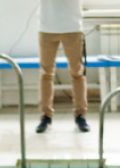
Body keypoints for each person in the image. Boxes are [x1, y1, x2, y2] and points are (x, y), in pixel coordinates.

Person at [36, 0, 89, 133]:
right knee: (46, 74)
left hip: (72, 27)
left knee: (77, 72)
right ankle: (46, 116)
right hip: (47, 27)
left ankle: (80, 115)